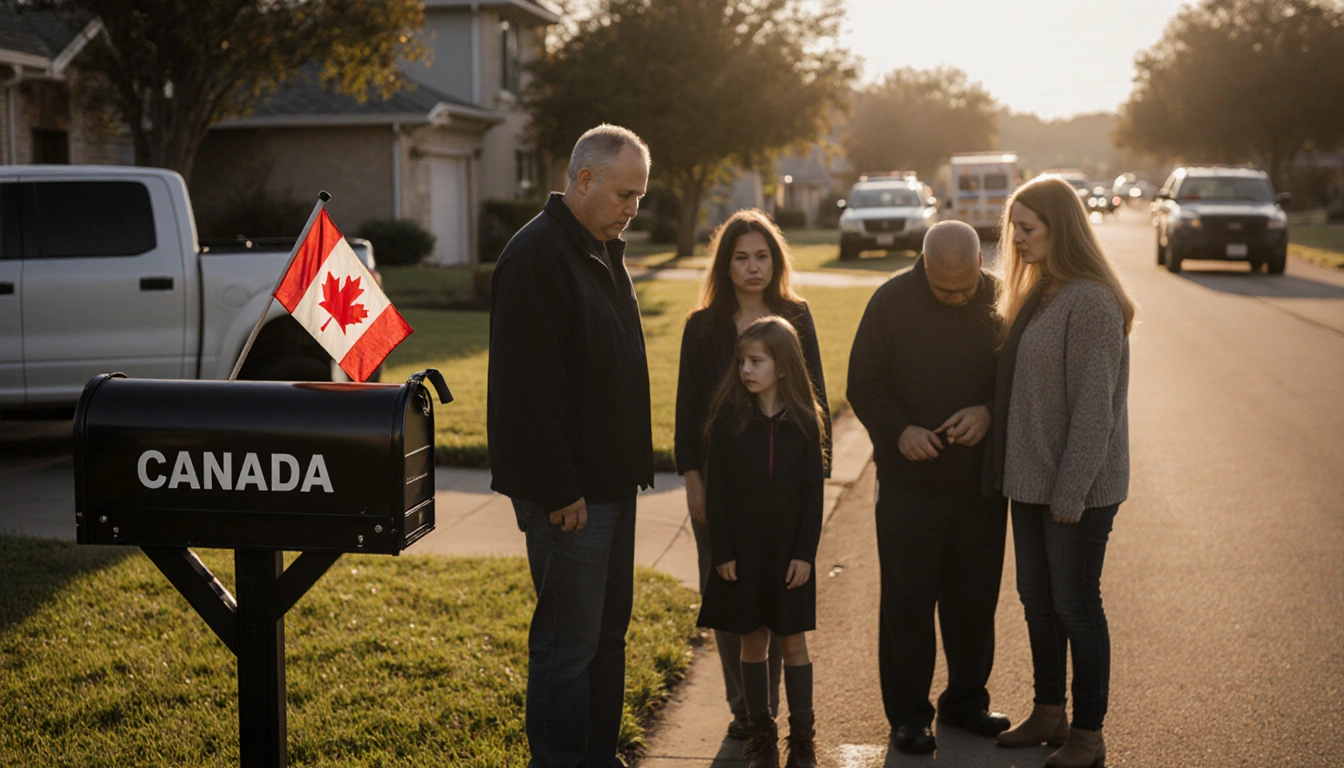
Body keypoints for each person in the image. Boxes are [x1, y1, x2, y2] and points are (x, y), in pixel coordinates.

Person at [487, 124, 653, 768]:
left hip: (613, 482)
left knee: (607, 638)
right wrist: (561, 490)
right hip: (573, 495)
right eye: (623, 193)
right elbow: (529, 392)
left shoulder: (601, 244)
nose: (632, 208)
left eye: (639, 196)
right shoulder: (537, 256)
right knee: (567, 645)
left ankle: (596, 755)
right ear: (583, 180)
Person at [846, 220, 1011, 755]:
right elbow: (864, 384)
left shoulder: (1000, 299)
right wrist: (900, 432)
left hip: (979, 485)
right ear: (923, 265)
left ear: (980, 265)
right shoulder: (889, 302)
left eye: (968, 286)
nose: (960, 297)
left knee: (974, 600)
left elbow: (1017, 380)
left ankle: (966, 701)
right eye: (946, 290)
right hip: (909, 486)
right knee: (908, 604)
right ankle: (909, 716)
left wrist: (989, 413)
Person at [987, 175, 1135, 768]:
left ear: (1062, 228)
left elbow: (1094, 410)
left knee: (1076, 605)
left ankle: (1088, 734)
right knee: (1036, 599)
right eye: (1014, 229)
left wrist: (1070, 491)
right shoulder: (1046, 290)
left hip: (1078, 487)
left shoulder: (1092, 301)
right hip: (1030, 479)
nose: (1017, 240)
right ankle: (1050, 711)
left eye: (1028, 229)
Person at [674, 209, 830, 740]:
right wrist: (692, 478)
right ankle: (746, 707)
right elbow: (686, 409)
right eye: (740, 257)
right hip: (722, 491)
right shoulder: (703, 326)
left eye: (762, 256)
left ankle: (779, 709)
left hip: (783, 487)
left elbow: (816, 403)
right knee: (731, 596)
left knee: (781, 605)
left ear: (776, 260)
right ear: (725, 265)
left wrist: (816, 482)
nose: (752, 267)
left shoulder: (797, 317)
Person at [697, 317, 827, 768]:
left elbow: (814, 499)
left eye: (757, 361)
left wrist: (805, 555)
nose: (746, 370)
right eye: (742, 362)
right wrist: (725, 551)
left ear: (784, 366)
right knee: (753, 643)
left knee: (793, 644)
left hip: (791, 558)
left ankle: (803, 742)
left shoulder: (807, 425)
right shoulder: (729, 421)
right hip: (745, 557)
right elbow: (717, 497)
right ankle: (761, 739)